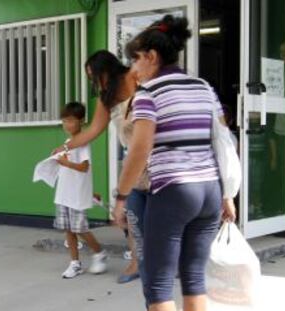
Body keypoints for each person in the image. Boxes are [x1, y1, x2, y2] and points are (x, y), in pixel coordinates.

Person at [112, 15, 236, 311]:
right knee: (194, 278)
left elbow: (139, 150)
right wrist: (228, 193)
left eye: (136, 60)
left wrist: (121, 197)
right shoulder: (204, 87)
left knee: (159, 284)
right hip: (209, 191)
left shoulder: (149, 93)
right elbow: (223, 140)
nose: (135, 69)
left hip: (174, 190)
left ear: (152, 57)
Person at [53, 51, 147, 284]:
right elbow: (93, 131)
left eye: (94, 76)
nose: (95, 83)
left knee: (162, 216)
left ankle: (169, 262)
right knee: (133, 215)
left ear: (106, 70)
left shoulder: (138, 79)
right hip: (134, 164)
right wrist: (64, 147)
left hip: (160, 159)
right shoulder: (107, 97)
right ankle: (136, 262)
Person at [54, 102, 108, 279]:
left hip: (76, 196)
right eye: (64, 121)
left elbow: (84, 168)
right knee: (68, 230)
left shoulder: (82, 143)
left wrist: (65, 162)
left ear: (81, 121)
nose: (67, 124)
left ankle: (99, 252)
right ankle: (75, 263)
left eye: (71, 120)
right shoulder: (67, 143)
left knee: (81, 229)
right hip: (64, 194)